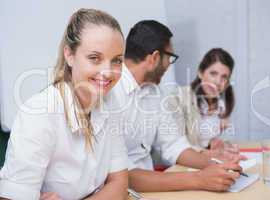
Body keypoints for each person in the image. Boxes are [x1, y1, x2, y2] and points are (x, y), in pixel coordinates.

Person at [0, 8, 128, 200]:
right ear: (69, 55)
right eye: (94, 58)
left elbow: (120, 184)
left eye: (117, 60)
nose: (108, 72)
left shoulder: (110, 100)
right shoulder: (40, 112)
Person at [111, 20, 242, 192]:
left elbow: (173, 145)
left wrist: (217, 164)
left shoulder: (154, 93)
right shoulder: (110, 92)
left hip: (149, 190)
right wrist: (199, 179)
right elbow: (121, 176)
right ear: (155, 58)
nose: (168, 65)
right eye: (170, 58)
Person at [168, 48, 239, 152]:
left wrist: (216, 144)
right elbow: (175, 146)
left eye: (224, 77)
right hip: (184, 163)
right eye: (213, 74)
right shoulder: (179, 99)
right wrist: (208, 152)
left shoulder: (222, 104)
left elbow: (204, 140)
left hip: (206, 160)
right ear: (200, 73)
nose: (218, 82)